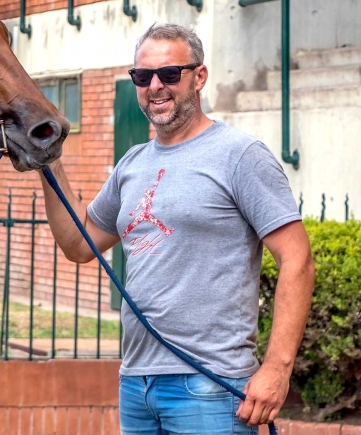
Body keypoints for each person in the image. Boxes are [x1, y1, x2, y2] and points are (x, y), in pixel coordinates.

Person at [39, 24, 314, 433]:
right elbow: (79, 244)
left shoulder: (239, 156)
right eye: (143, 76)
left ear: (199, 77)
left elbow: (298, 259)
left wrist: (277, 368)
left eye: (170, 74)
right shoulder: (131, 164)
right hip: (137, 381)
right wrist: (46, 159)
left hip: (212, 385)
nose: (155, 86)